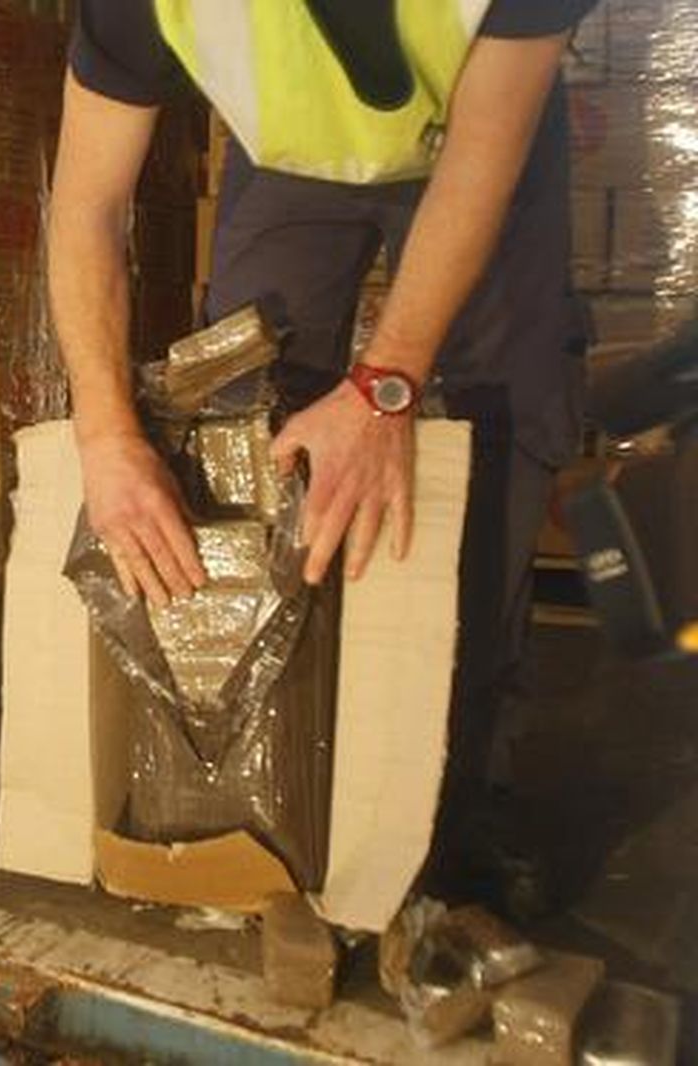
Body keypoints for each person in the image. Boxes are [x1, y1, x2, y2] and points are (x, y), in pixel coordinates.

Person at [50, 1, 597, 899]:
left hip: (477, 134)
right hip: (291, 163)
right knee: (243, 420)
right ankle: (273, 779)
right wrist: (105, 433)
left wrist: (387, 388)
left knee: (501, 428)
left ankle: (457, 808)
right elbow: (86, 203)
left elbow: (478, 162)